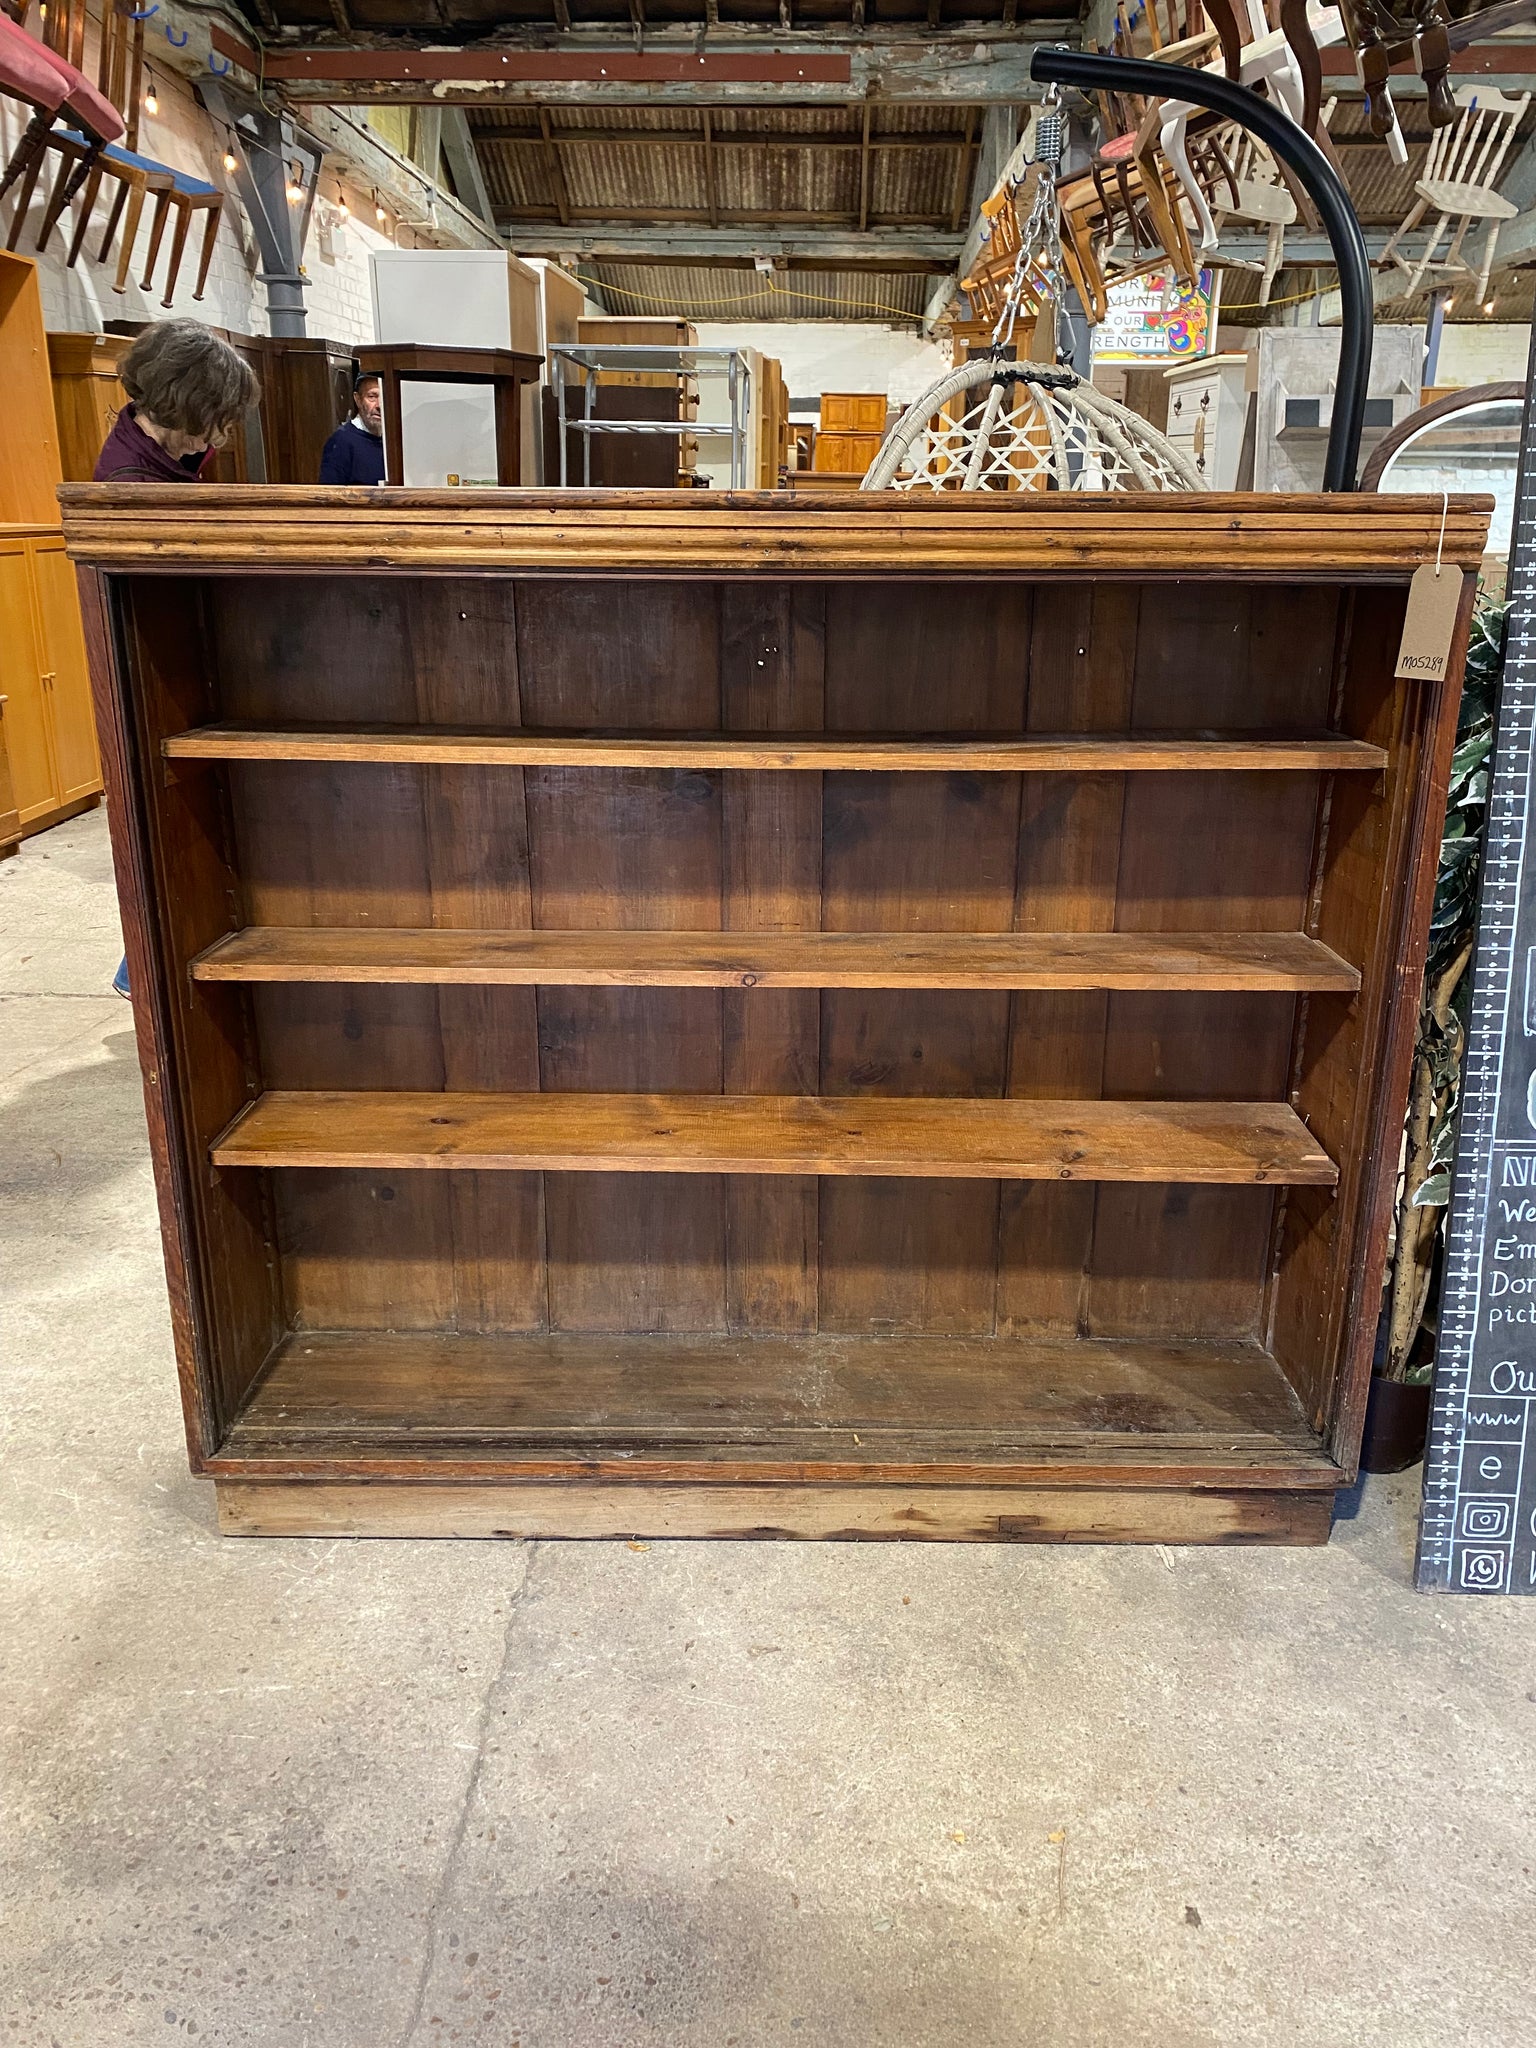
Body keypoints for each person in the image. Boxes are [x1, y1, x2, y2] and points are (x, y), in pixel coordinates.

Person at [95, 320, 257, 995]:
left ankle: (142, 969)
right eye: (214, 420)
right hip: (152, 663)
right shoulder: (129, 479)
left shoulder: (180, 454)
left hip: (188, 650)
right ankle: (143, 971)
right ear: (184, 404)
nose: (219, 438)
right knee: (161, 814)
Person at [94, 318, 257, 483]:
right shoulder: (130, 484)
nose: (201, 447)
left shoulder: (156, 444)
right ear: (182, 405)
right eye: (202, 434)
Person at [319, 371, 387, 484]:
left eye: (385, 396)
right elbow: (329, 496)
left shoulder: (394, 441)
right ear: (358, 400)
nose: (379, 405)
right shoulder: (341, 442)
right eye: (372, 397)